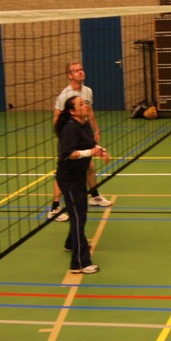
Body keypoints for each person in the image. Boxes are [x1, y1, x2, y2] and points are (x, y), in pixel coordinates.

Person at [46, 62, 111, 221]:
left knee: (89, 166)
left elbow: (90, 112)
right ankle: (54, 208)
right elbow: (56, 119)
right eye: (76, 71)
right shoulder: (64, 95)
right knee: (64, 172)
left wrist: (95, 130)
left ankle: (94, 196)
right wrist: (66, 138)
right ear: (69, 75)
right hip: (69, 137)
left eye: (81, 69)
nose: (80, 72)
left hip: (82, 133)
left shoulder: (88, 91)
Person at [56, 95, 111, 274]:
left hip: (79, 176)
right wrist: (90, 152)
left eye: (85, 102)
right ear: (72, 111)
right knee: (78, 217)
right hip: (69, 179)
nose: (85, 105)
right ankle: (79, 263)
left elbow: (91, 144)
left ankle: (71, 243)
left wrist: (102, 151)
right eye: (81, 104)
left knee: (80, 215)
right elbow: (68, 154)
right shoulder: (70, 128)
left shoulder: (84, 124)